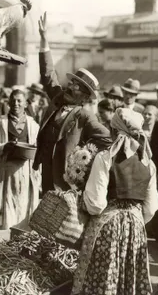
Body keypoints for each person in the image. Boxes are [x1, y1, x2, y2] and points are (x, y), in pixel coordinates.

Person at [71, 108, 158, 295]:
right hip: (136, 226)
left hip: (108, 226)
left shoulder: (105, 158)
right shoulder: (148, 162)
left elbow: (96, 204)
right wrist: (134, 218)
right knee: (129, 279)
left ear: (113, 131)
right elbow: (151, 208)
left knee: (103, 278)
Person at [35, 12, 112, 195]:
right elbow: (48, 76)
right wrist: (44, 39)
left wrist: (85, 156)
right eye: (72, 82)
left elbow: (108, 139)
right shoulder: (59, 99)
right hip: (46, 175)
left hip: (66, 183)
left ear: (85, 98)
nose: (71, 86)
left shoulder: (84, 115)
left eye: (77, 86)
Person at [0, 89, 40, 230]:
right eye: (13, 100)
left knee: (24, 206)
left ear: (25, 103)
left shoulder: (33, 125)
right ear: (9, 103)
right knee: (8, 207)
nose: (16, 104)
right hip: (8, 173)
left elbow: (38, 148)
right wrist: (5, 146)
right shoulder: (0, 124)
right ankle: (7, 237)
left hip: (26, 172)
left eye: (19, 100)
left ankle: (22, 237)